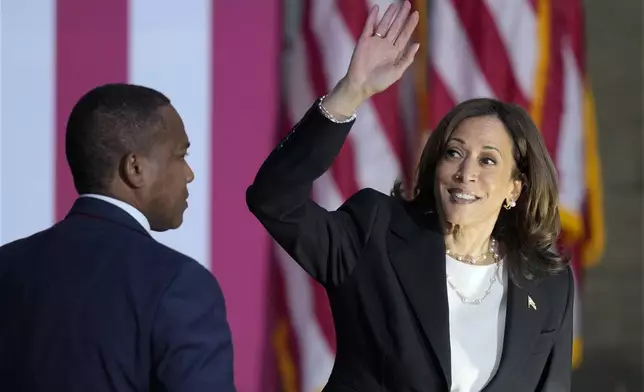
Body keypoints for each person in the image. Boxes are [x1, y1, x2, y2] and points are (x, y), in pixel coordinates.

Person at [246, 2, 573, 391]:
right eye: (454, 153)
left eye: (488, 161)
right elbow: (274, 200)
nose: (466, 173)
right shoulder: (375, 234)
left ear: (515, 188)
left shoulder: (548, 284)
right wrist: (350, 93)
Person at [0, 84, 236, 392]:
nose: (189, 173)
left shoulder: (7, 266)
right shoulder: (177, 283)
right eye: (180, 155)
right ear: (135, 168)